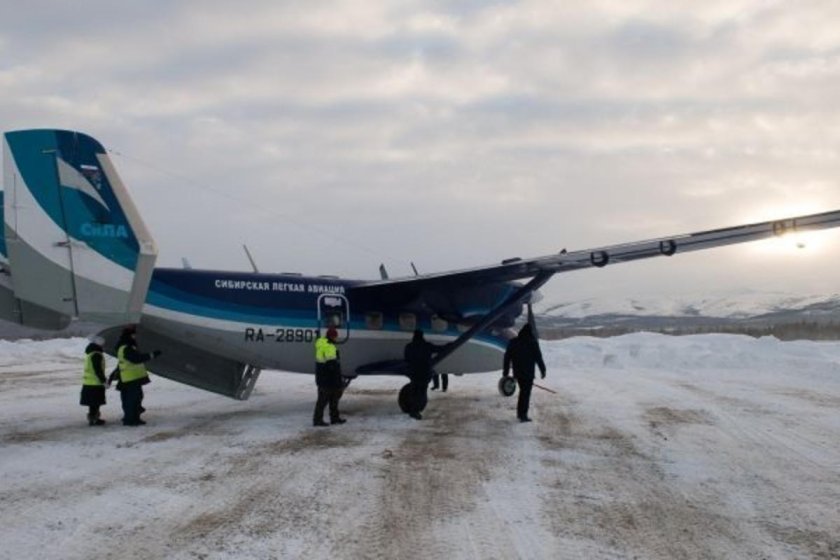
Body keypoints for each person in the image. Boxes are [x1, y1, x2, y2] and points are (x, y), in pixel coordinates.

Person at [115, 326, 161, 426]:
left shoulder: (124, 346)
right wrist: (151, 355)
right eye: (134, 334)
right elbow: (136, 359)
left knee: (133, 399)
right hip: (130, 379)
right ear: (130, 335)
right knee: (132, 400)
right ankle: (130, 419)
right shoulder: (127, 347)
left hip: (129, 378)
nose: (135, 337)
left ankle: (133, 418)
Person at [502, 324, 546, 422]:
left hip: (517, 372)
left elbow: (507, 357)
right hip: (529, 373)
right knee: (525, 394)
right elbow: (538, 358)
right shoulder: (533, 342)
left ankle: (520, 413)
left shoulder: (513, 342)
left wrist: (505, 372)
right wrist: (543, 370)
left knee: (523, 392)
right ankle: (523, 415)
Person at [403, 330, 447, 420]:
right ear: (422, 336)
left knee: (414, 392)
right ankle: (416, 410)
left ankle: (413, 410)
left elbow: (406, 359)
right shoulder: (427, 346)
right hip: (424, 373)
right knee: (421, 393)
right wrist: (450, 345)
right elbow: (440, 349)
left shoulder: (409, 346)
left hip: (414, 373)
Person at [313, 326, 346, 426]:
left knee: (330, 399)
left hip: (322, 376)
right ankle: (322, 419)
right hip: (329, 378)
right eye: (335, 336)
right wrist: (337, 379)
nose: (336, 338)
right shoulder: (329, 346)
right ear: (332, 336)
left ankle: (332, 418)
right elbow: (332, 364)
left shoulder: (322, 344)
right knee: (327, 400)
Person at [80, 335, 108, 426]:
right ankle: (94, 419)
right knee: (95, 403)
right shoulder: (96, 354)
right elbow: (98, 369)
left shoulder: (90, 353)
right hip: (95, 383)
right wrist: (103, 381)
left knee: (93, 404)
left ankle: (93, 418)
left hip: (89, 383)